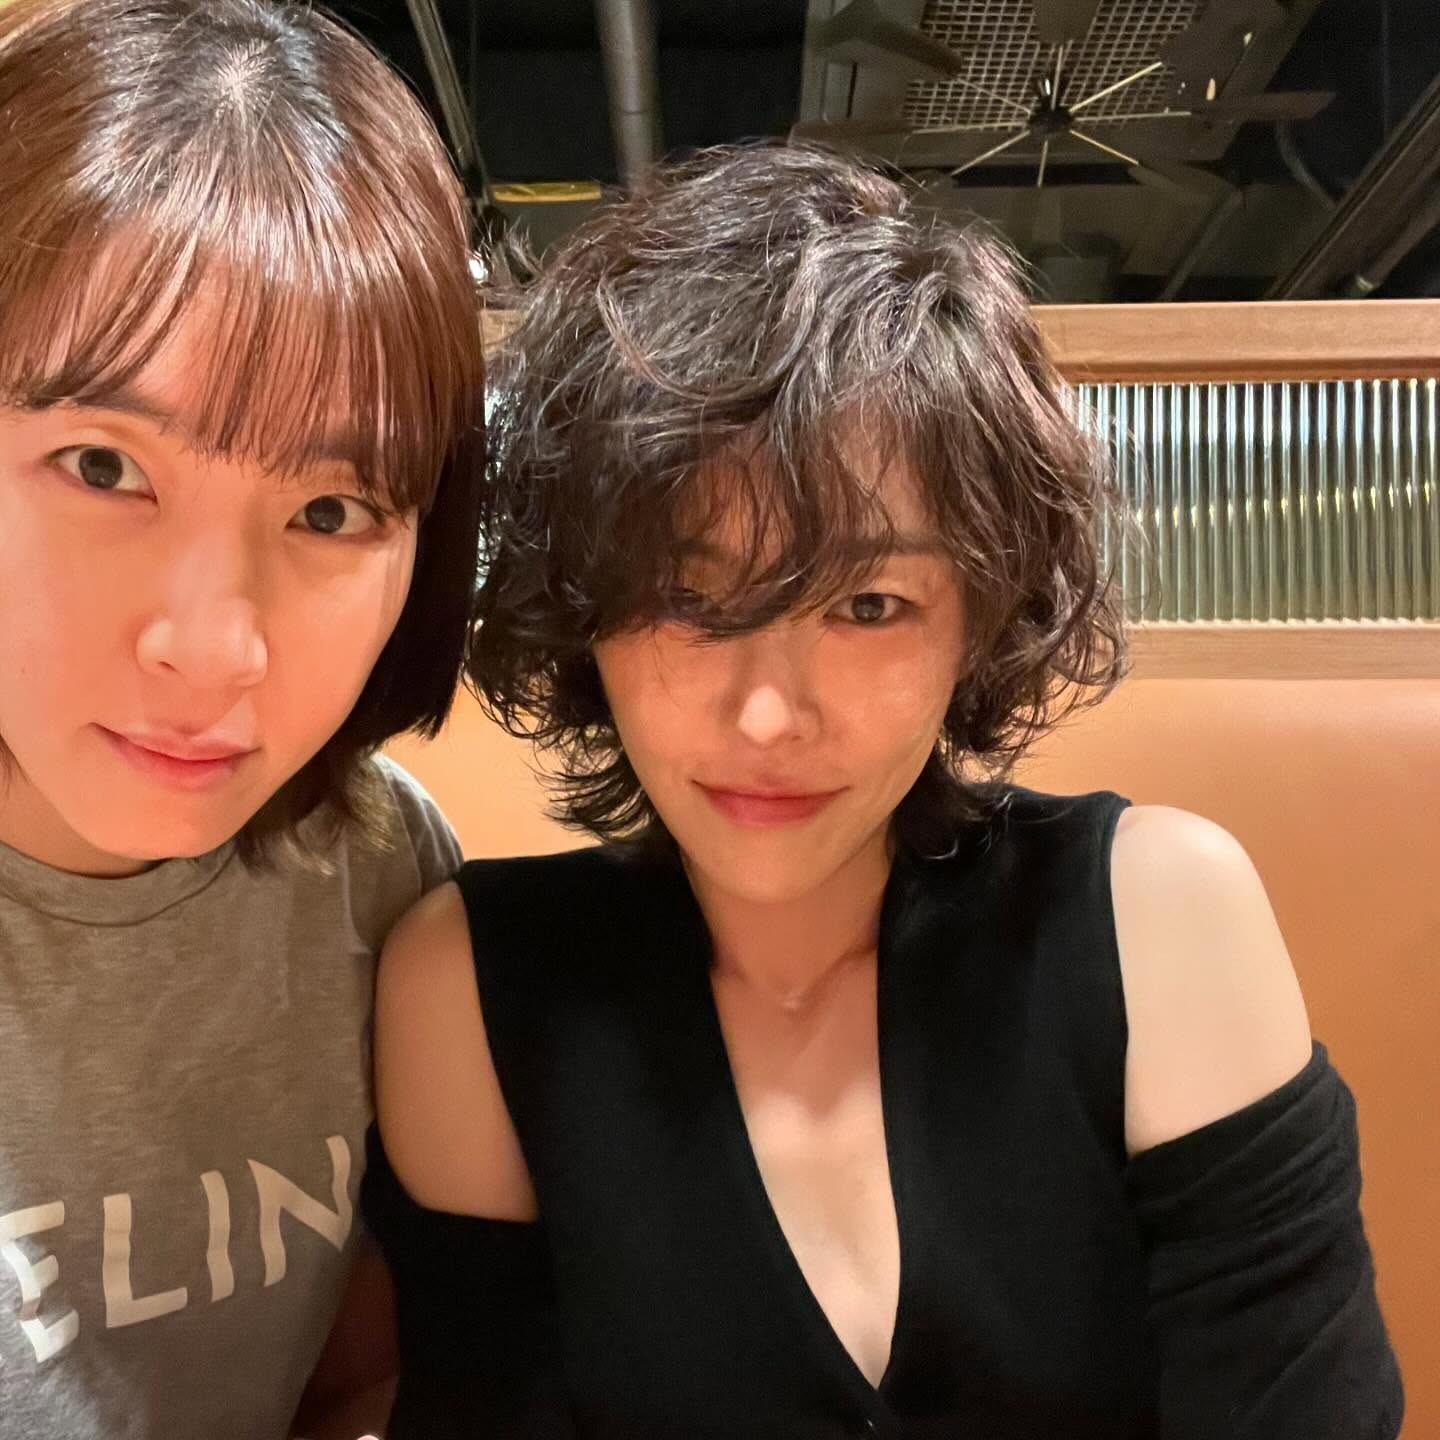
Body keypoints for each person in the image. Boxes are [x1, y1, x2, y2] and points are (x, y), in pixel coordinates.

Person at [364, 145, 1404, 1439]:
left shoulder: (1156, 929)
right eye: (686, 597)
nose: (768, 714)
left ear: (979, 619)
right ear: (585, 611)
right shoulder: (473, 990)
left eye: (869, 605)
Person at [0, 1, 485, 1436]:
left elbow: (355, 1370)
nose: (214, 652)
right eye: (103, 466)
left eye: (331, 511)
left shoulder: (373, 869)